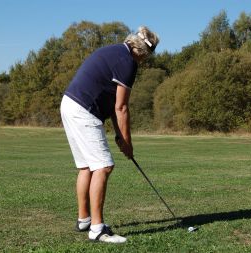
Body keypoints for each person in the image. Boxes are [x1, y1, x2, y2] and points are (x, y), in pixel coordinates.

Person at [60, 26, 159, 243]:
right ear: (143, 52)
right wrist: (128, 143)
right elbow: (121, 108)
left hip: (69, 104)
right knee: (103, 166)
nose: (144, 61)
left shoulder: (115, 52)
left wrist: (120, 136)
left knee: (87, 166)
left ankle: (84, 219)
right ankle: (97, 229)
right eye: (147, 57)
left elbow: (114, 104)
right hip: (83, 110)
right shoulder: (128, 63)